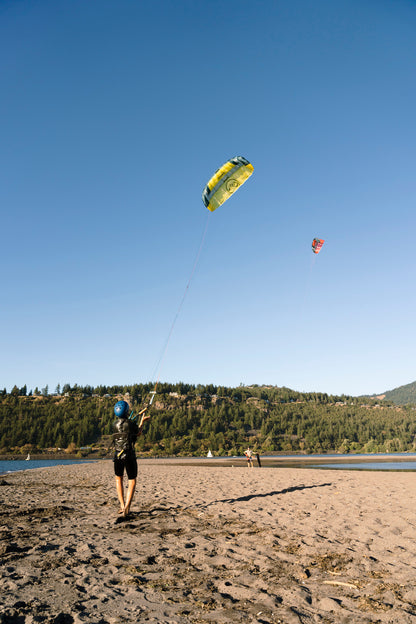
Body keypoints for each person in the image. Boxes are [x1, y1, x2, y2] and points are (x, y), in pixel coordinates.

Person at [112, 400, 151, 517]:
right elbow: (138, 433)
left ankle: (122, 505)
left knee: (118, 479)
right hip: (129, 455)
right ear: (127, 411)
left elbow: (125, 429)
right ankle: (127, 507)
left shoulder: (113, 425)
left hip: (117, 455)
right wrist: (142, 422)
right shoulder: (130, 424)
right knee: (132, 480)